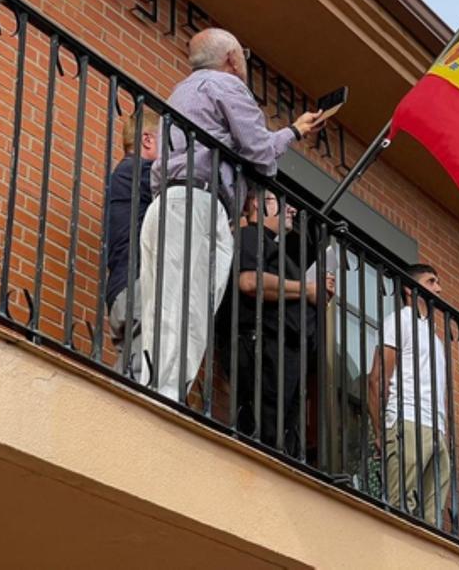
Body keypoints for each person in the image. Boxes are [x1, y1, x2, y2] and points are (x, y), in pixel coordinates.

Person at [139, 27, 325, 401]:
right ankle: (164, 400)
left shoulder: (182, 92)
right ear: (233, 58)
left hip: (168, 203)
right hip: (200, 204)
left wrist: (288, 135)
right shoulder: (228, 86)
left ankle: (149, 389)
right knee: (189, 311)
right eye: (243, 56)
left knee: (161, 306)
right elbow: (260, 154)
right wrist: (292, 132)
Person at [219, 190, 333, 453]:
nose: (291, 209)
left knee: (282, 438)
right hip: (261, 349)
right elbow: (249, 281)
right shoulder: (250, 236)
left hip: (284, 357)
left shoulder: (277, 250)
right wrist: (307, 289)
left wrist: (316, 294)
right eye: (283, 202)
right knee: (262, 432)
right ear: (258, 203)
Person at [368, 263, 449, 528]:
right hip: (408, 420)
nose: (438, 288)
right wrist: (381, 431)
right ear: (408, 288)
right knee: (400, 506)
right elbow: (378, 378)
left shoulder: (435, 338)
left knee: (432, 519)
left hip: (437, 428)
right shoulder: (399, 321)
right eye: (431, 281)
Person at [104, 112, 158, 374]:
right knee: (140, 377)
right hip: (136, 286)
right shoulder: (140, 171)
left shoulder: (125, 174)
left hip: (122, 289)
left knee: (132, 371)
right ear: (147, 140)